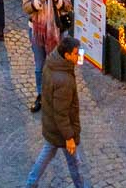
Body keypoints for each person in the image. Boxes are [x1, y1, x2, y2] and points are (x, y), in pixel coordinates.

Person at [24, 36, 85, 187]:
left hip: (51, 124)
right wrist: (69, 137)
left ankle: (31, 183)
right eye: (76, 54)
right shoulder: (64, 80)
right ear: (67, 55)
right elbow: (61, 113)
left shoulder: (53, 61)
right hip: (61, 130)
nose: (79, 56)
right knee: (74, 162)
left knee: (48, 153)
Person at [22, 0, 73, 111]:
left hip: (55, 31)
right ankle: (41, 95)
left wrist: (57, 0)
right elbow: (26, 7)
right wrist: (39, 0)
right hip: (36, 31)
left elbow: (68, 6)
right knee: (39, 66)